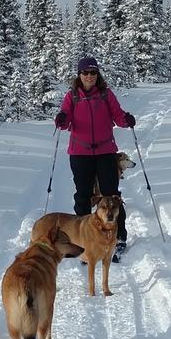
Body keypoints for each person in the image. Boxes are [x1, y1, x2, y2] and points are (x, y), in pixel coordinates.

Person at [54, 55, 136, 262]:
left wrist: (126, 120)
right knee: (83, 196)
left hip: (106, 152)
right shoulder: (71, 96)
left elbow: (118, 116)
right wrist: (62, 119)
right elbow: (65, 120)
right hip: (80, 153)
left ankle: (118, 238)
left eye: (93, 72)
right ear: (79, 75)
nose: (89, 76)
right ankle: (83, 242)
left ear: (97, 74)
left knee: (111, 197)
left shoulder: (106, 95)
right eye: (85, 72)